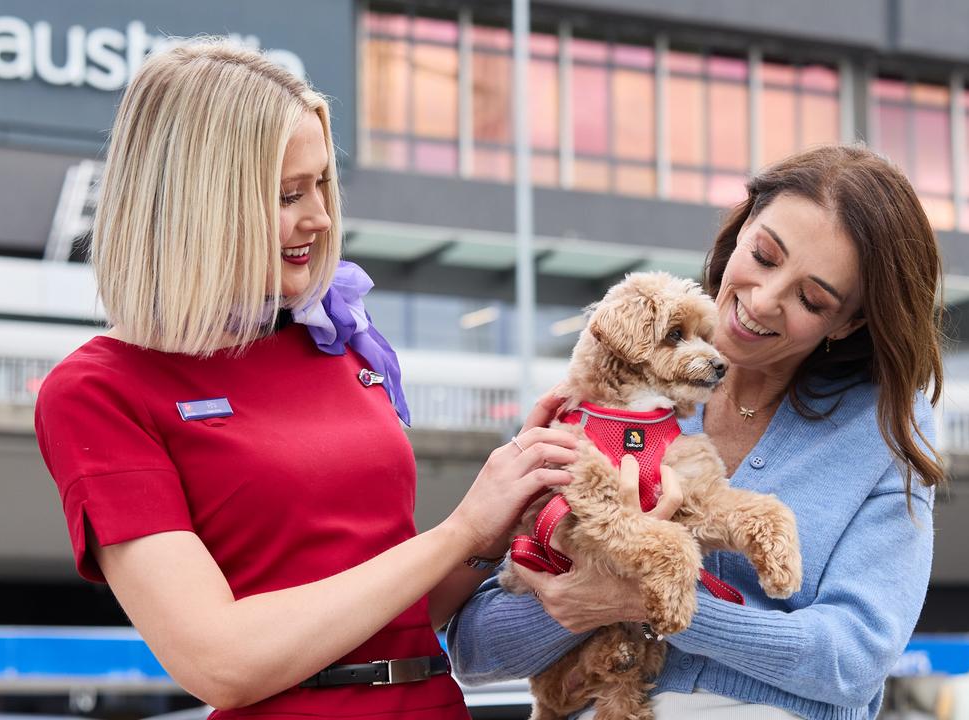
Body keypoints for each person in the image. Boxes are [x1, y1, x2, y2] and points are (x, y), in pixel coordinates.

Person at [32, 40, 581, 720]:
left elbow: (402, 614)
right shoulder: (98, 390)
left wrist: (501, 522)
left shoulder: (335, 341)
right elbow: (219, 663)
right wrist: (460, 531)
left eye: (322, 183)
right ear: (199, 202)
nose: (320, 218)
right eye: (288, 194)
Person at [448, 144, 947, 720]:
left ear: (851, 321)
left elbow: (855, 658)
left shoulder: (885, 425)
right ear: (740, 230)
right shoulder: (620, 386)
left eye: (811, 298)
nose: (762, 301)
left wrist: (653, 601)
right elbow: (475, 649)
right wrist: (580, 594)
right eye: (762, 255)